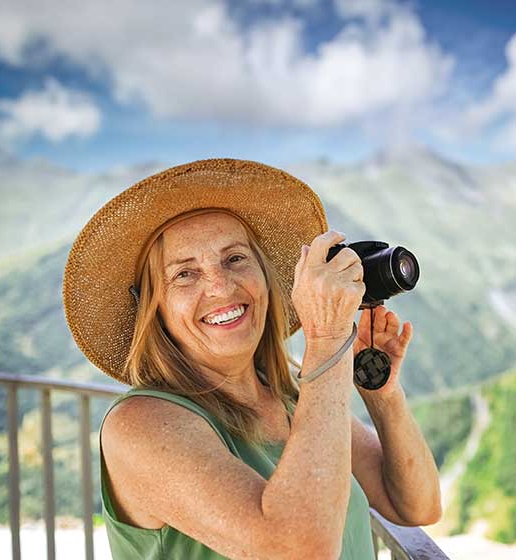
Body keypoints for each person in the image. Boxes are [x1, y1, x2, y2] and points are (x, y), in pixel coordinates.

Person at [62, 158, 442, 559]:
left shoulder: (294, 398)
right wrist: (327, 338)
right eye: (185, 274)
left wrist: (382, 394)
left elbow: (416, 506)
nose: (221, 287)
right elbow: (300, 550)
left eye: (235, 259)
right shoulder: (141, 425)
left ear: (266, 276)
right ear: (154, 308)